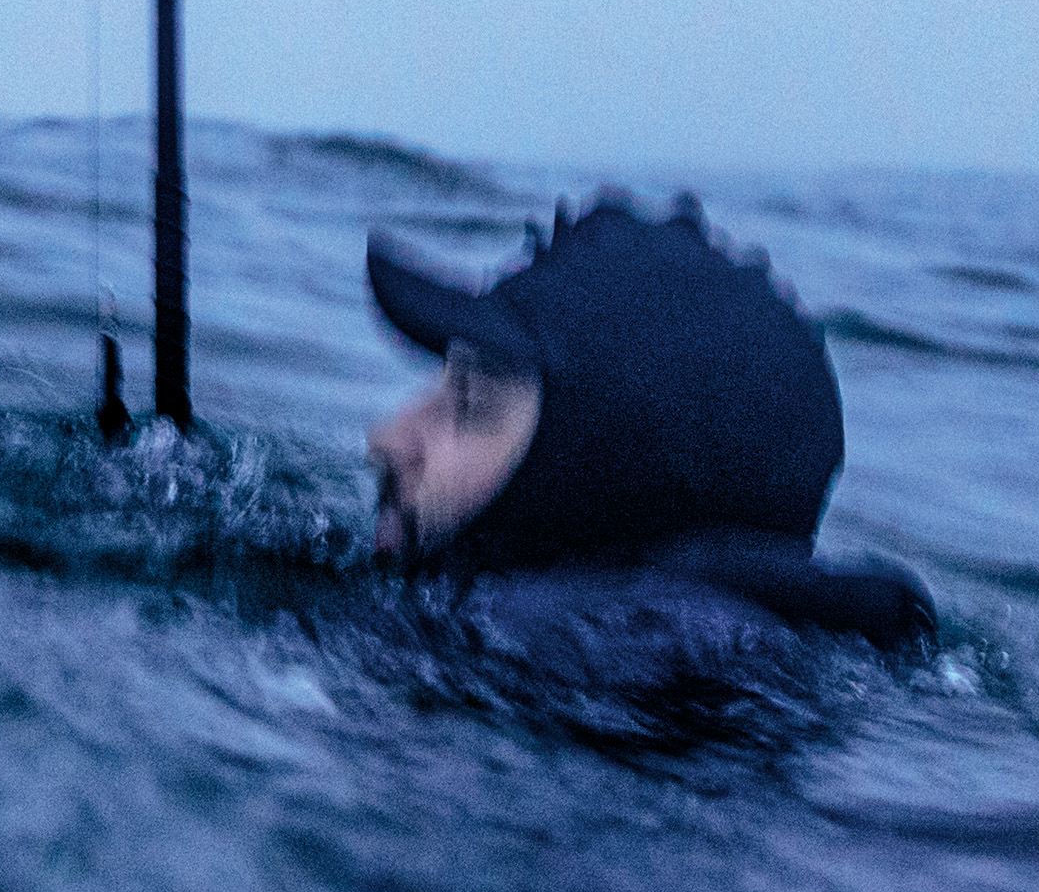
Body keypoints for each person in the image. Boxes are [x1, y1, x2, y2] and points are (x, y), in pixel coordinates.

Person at [361, 197, 932, 669]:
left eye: (470, 409)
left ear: (599, 479)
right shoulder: (827, 659)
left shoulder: (540, 651)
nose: (389, 437)